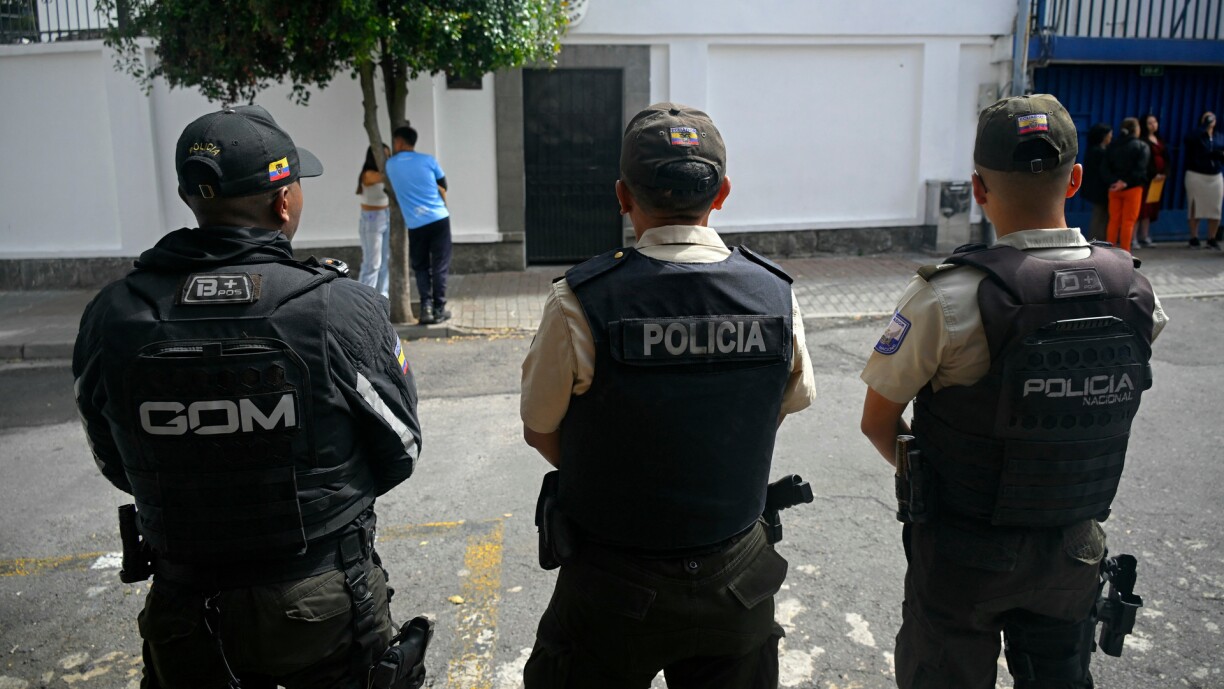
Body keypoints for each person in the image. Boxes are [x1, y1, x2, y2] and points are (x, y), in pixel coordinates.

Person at [72, 105, 424, 689]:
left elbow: (113, 457)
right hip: (320, 599)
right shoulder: (337, 306)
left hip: (185, 605)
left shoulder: (112, 314)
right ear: (283, 202)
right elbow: (401, 449)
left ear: (191, 197)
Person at [859, 94, 1168, 688]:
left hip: (962, 550)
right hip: (1074, 548)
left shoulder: (947, 298)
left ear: (978, 187)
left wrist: (934, 475)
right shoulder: (1134, 291)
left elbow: (878, 423)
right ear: (1076, 179)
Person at [519, 102, 817, 688]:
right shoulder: (775, 294)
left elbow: (540, 426)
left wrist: (628, 482)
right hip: (737, 576)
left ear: (622, 196)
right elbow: (778, 407)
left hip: (612, 582)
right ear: (723, 191)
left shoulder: (580, 299)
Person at [385, 125, 452, 324]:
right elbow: (444, 184)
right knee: (440, 264)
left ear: (399, 142)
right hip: (439, 218)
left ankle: (426, 308)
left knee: (421, 267)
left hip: (415, 224)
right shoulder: (428, 160)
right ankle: (440, 308)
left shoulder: (390, 165)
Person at [1103, 116, 1149, 253]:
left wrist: (1114, 182)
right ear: (1135, 129)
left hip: (1114, 189)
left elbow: (1104, 168)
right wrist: (1125, 182)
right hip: (1133, 188)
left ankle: (1109, 250)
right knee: (1128, 222)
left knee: (1114, 220)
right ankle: (1125, 252)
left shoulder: (1113, 145)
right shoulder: (1142, 146)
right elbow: (1141, 169)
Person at [1184, 111, 1224, 249]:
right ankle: (1194, 237)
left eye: (1212, 117)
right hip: (1197, 174)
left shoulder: (1219, 136)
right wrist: (1204, 127)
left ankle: (1211, 238)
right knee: (1195, 207)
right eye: (1207, 117)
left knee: (1215, 208)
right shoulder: (1196, 135)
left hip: (1214, 176)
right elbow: (1189, 139)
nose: (1210, 119)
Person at [357, 144, 392, 297]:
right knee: (372, 264)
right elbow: (385, 176)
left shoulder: (384, 173)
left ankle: (383, 297)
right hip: (372, 219)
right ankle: (364, 299)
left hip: (386, 215)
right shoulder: (368, 174)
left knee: (385, 262)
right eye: (384, 156)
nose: (387, 159)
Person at [1134, 113, 1167, 248]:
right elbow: (1144, 162)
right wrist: (1153, 173)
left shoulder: (1159, 139)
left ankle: (1144, 236)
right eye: (1150, 123)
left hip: (1158, 181)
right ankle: (1133, 238)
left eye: (1155, 122)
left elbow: (1166, 158)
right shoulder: (1142, 140)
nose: (1153, 125)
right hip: (1146, 180)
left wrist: (1164, 173)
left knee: (1150, 210)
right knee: (1140, 210)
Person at [1081, 122, 1112, 242]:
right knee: (1099, 216)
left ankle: (1098, 239)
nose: (1111, 137)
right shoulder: (1099, 152)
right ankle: (1096, 240)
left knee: (1100, 215)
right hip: (1100, 189)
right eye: (1109, 135)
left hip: (1096, 188)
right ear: (1104, 136)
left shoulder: (1093, 149)